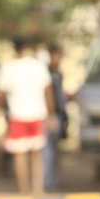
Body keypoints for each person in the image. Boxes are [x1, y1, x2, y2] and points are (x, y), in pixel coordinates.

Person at [0, 38, 54, 195]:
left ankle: (24, 190)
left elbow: (1, 95)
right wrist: (52, 115)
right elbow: (48, 91)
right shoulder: (38, 66)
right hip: (37, 114)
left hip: (17, 115)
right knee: (36, 154)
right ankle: (38, 189)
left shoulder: (7, 68)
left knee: (19, 155)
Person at [42, 44, 68, 190]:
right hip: (50, 116)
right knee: (48, 151)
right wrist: (51, 116)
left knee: (55, 150)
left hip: (58, 114)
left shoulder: (57, 73)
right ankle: (47, 181)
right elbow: (49, 96)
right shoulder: (45, 73)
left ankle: (52, 179)